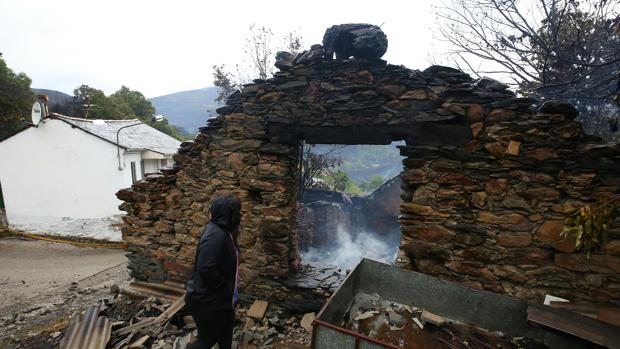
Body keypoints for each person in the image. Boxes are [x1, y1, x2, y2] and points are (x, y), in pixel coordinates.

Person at [186, 196, 241, 349]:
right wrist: (226, 287)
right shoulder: (215, 234)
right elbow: (206, 267)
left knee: (225, 337)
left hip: (221, 301)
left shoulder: (225, 231)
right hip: (207, 301)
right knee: (206, 341)